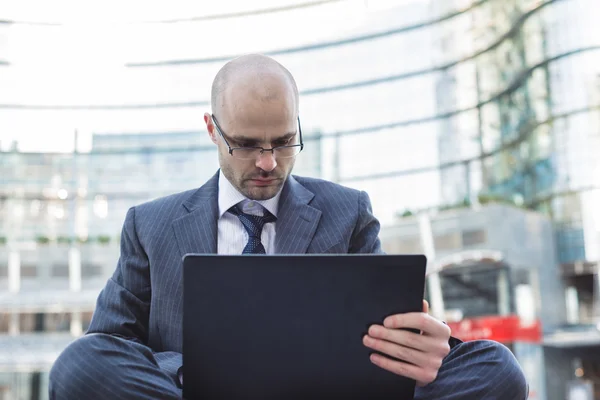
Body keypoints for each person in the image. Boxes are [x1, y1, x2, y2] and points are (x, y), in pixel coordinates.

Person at [49, 54, 528, 399]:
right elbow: (106, 349)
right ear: (212, 129)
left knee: (495, 368)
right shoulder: (151, 225)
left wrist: (429, 346)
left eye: (284, 141)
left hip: (327, 392)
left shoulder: (349, 212)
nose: (268, 162)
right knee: (77, 366)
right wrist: (199, 375)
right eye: (246, 144)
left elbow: (393, 338)